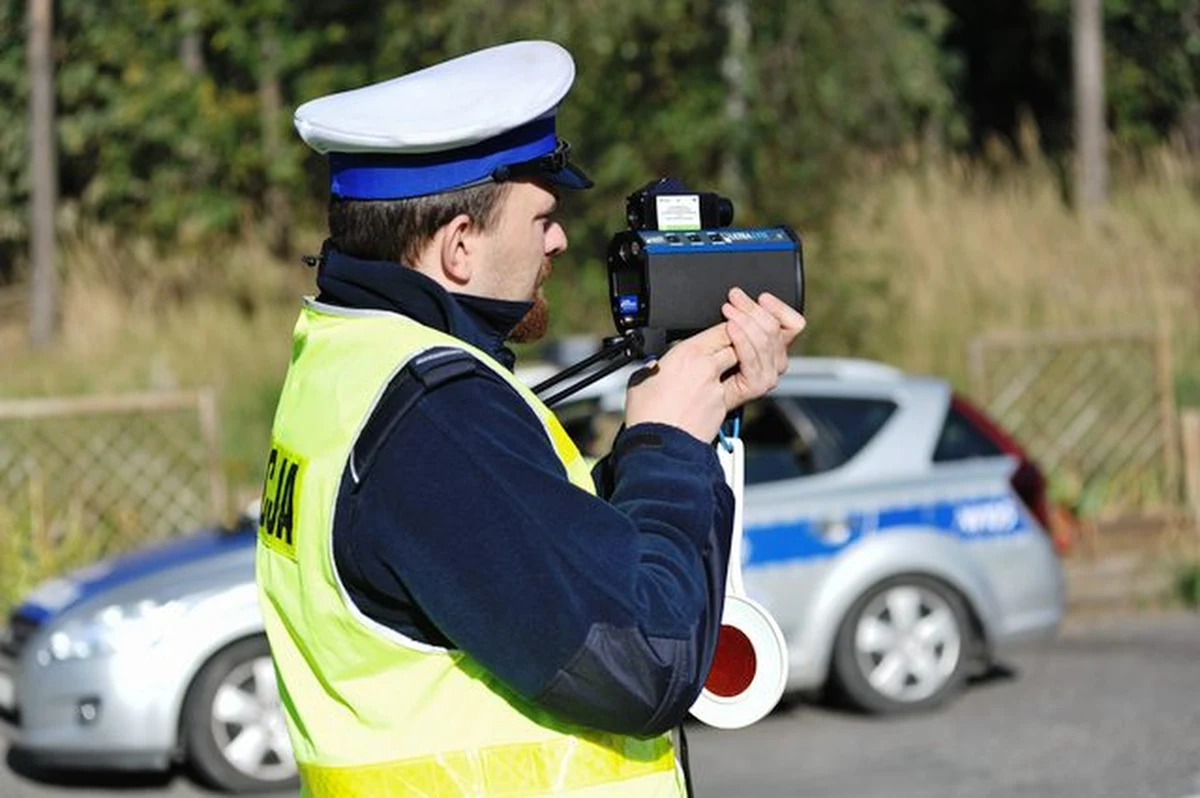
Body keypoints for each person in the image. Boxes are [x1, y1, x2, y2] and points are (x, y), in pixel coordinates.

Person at [255, 40, 806, 797]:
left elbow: (515, 557)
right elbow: (644, 663)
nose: (561, 240)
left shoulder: (348, 361)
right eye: (543, 216)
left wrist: (688, 416)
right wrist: (668, 446)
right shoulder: (434, 415)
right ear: (458, 246)